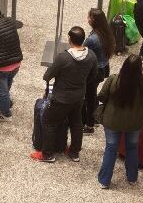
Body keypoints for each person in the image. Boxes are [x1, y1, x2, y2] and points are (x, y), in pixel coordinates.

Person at [32, 27, 97, 163]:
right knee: (76, 123)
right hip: (79, 96)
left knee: (50, 122)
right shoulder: (91, 55)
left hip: (61, 97)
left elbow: (48, 75)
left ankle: (48, 154)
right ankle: (74, 152)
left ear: (70, 39)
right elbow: (93, 75)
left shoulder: (64, 57)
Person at [97, 55, 143, 189]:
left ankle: (104, 181)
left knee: (111, 149)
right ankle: (132, 177)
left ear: (124, 66)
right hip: (134, 123)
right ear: (140, 69)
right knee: (132, 148)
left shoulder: (113, 79)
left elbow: (101, 96)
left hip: (112, 121)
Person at [84, 8, 115, 134]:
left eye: (89, 17)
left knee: (89, 97)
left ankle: (90, 125)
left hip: (94, 72)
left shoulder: (93, 39)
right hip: (102, 68)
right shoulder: (105, 33)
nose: (87, 18)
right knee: (92, 93)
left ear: (94, 20)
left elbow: (83, 49)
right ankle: (96, 118)